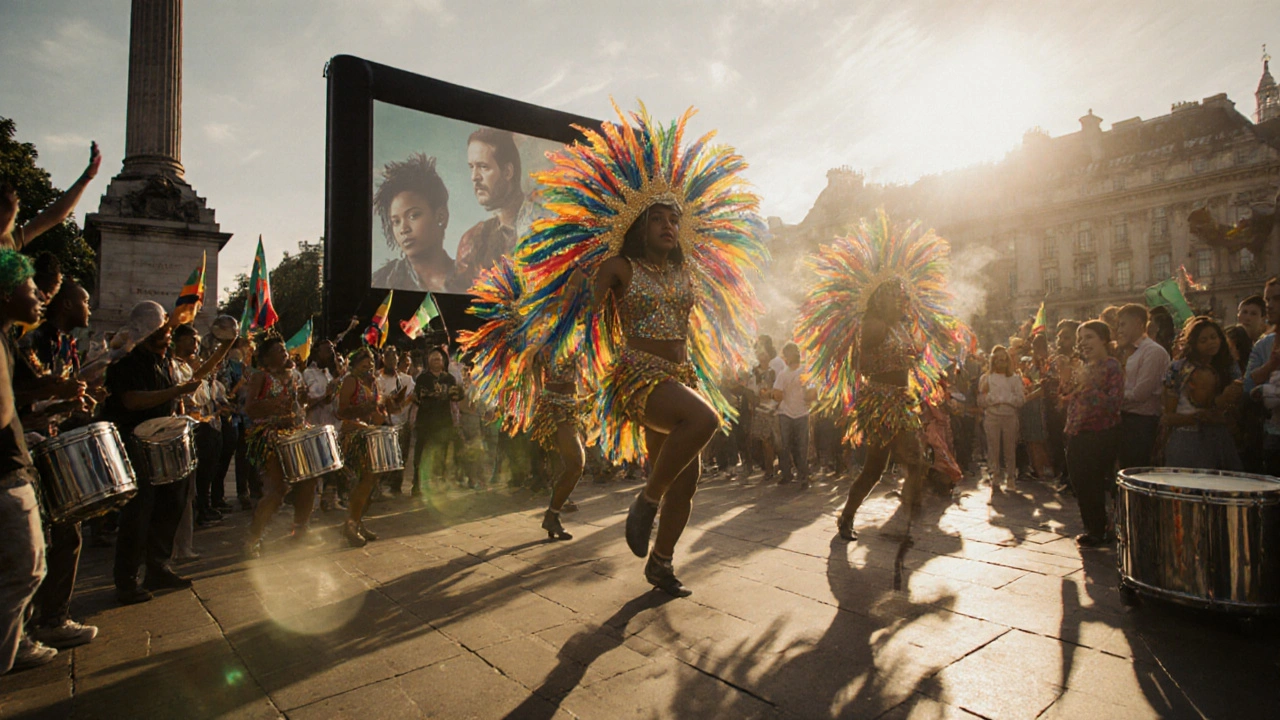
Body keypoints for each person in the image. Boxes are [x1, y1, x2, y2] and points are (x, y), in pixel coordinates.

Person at [515, 105, 767, 596]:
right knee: (705, 421)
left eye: (675, 219)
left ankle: (661, 562)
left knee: (688, 484)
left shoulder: (683, 272)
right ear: (639, 225)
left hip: (680, 376)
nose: (669, 225)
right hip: (639, 377)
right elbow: (583, 311)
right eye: (658, 218)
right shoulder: (619, 267)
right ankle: (645, 502)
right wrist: (563, 306)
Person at [792, 211, 969, 543]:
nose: (895, 298)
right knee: (878, 468)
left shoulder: (900, 325)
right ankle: (851, 516)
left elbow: (911, 356)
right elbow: (864, 363)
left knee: (912, 460)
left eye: (897, 293)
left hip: (901, 400)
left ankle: (904, 513)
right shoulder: (872, 324)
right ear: (875, 298)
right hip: (879, 402)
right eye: (887, 293)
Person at [103, 302, 204, 604]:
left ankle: (158, 567)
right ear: (146, 331)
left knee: (172, 504)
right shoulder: (127, 363)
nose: (168, 333)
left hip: (167, 443)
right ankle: (127, 580)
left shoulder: (167, 362)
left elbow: (175, 398)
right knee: (139, 512)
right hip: (135, 443)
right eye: (162, 328)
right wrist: (176, 393)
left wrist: (181, 411)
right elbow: (132, 401)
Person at [0, 249, 58, 672]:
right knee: (25, 572)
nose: (40, 295)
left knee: (27, 570)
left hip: (12, 469)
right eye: (31, 287)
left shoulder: (8, 340)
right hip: (4, 473)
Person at [241, 336, 314, 555]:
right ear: (266, 357)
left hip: (294, 433)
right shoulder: (261, 377)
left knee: (310, 481)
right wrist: (275, 406)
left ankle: (300, 529)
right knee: (277, 490)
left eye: (284, 349)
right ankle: (254, 538)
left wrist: (301, 400)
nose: (285, 352)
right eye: (279, 350)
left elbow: (299, 405)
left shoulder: (294, 377)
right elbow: (250, 408)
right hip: (270, 437)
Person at [1061, 320, 1123, 548]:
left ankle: (1099, 528)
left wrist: (1089, 388)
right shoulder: (1084, 366)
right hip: (1078, 432)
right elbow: (1073, 397)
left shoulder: (1112, 366)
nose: (1083, 343)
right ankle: (1092, 526)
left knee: (1093, 482)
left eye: (1089, 337)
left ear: (1103, 339)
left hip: (1100, 434)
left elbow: (1114, 402)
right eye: (1081, 339)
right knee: (1079, 481)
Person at [1162, 318, 1243, 470]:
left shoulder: (1228, 365)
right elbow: (1168, 416)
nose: (1211, 343)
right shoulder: (1178, 368)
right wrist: (1194, 418)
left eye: (1214, 337)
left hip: (1219, 437)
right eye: (1203, 340)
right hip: (1187, 438)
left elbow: (1235, 399)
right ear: (1194, 343)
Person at [370, 153, 458, 293]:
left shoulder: (470, 280)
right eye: (396, 222)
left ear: (441, 216)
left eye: (413, 216)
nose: (403, 229)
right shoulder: (382, 281)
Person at [454, 128, 525, 290]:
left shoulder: (545, 226)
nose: (474, 177)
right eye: (471, 167)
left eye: (483, 167)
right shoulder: (472, 242)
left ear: (508, 171)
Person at [0, 141, 101, 251]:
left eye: (9, 217)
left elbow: (53, 215)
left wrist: (86, 178)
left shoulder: (9, 242)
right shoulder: (8, 243)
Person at [337, 348, 389, 547]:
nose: (368, 368)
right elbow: (341, 411)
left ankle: (357, 522)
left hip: (370, 433)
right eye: (364, 365)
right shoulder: (351, 381)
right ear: (355, 365)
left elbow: (377, 413)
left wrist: (384, 410)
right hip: (354, 436)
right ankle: (350, 525)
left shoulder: (374, 383)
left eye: (371, 365)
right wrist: (363, 410)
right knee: (364, 480)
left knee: (372, 481)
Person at [1115, 303, 1170, 469]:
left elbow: (1140, 394)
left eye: (1123, 324)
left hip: (1142, 423)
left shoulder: (1153, 352)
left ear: (1138, 323)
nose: (1119, 329)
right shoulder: (1125, 351)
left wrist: (1111, 395)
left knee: (1137, 470)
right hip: (1124, 419)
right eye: (1118, 325)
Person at [302, 340, 345, 508]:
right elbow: (306, 401)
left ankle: (329, 500)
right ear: (317, 353)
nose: (331, 353)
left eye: (332, 349)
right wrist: (323, 398)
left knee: (332, 465)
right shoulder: (308, 374)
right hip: (314, 425)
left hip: (331, 425)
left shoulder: (329, 374)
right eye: (327, 350)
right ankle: (307, 503)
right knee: (314, 467)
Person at [411, 347, 459, 494]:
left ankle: (438, 484)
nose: (436, 361)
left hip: (443, 423)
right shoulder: (422, 378)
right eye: (433, 359)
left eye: (438, 359)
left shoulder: (449, 379)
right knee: (420, 454)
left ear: (443, 361)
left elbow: (455, 399)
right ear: (428, 362)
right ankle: (417, 485)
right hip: (425, 422)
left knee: (442, 454)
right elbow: (416, 399)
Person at [1245, 278, 1280, 475]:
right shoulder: (1263, 345)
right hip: (1271, 436)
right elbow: (1248, 387)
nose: (1271, 305)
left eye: (1277, 299)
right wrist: (1271, 365)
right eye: (1268, 300)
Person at [979, 346, 1025, 494]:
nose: (1001, 363)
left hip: (1009, 415)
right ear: (993, 361)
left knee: (1010, 448)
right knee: (993, 447)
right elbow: (981, 399)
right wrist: (991, 400)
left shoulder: (1014, 379)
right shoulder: (987, 378)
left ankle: (1010, 477)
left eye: (1003, 360)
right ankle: (995, 474)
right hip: (992, 416)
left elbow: (1021, 399)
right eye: (997, 360)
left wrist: (1007, 399)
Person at [772, 342, 814, 489]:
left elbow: (813, 392)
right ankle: (786, 474)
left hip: (802, 413)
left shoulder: (805, 372)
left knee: (802, 446)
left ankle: (803, 476)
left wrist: (809, 395)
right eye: (788, 353)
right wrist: (775, 394)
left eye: (793, 351)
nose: (791, 355)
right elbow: (777, 393)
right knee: (785, 446)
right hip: (786, 414)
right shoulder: (783, 374)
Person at [373, 346, 414, 495]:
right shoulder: (377, 379)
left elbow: (412, 398)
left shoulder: (406, 379)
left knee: (401, 456)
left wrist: (401, 403)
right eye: (388, 357)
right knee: (383, 456)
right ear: (383, 359)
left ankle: (396, 487)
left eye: (394, 357)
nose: (391, 360)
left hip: (402, 422)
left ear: (398, 359)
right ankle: (379, 487)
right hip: (384, 423)